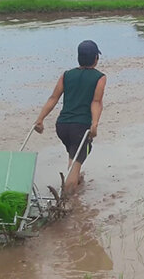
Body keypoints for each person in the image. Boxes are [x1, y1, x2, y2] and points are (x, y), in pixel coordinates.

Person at [33, 40, 107, 194]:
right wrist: (95, 123)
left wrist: (40, 119)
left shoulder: (66, 75)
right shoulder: (100, 77)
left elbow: (53, 98)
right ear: (95, 58)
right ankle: (68, 201)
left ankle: (76, 177)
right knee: (81, 154)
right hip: (80, 127)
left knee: (74, 155)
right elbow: (96, 101)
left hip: (62, 126)